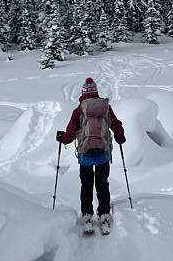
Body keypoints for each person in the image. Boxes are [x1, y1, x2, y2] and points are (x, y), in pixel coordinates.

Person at [56, 77, 125, 233]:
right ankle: (104, 213)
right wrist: (120, 136)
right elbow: (115, 124)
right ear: (95, 92)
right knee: (102, 182)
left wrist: (63, 139)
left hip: (85, 155)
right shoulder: (105, 107)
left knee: (86, 185)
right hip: (103, 153)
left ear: (83, 93)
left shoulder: (79, 110)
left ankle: (87, 214)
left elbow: (71, 132)